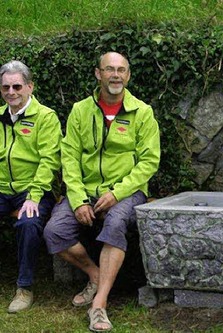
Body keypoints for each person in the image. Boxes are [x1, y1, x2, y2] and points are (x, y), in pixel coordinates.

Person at [44, 52, 160, 332]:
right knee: (54, 231)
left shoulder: (142, 112)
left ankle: (100, 304)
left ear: (128, 75)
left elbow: (149, 161)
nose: (116, 75)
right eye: (110, 69)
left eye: (121, 70)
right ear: (99, 74)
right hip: (86, 190)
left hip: (127, 191)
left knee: (116, 222)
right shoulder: (80, 110)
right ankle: (95, 275)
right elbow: (68, 157)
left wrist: (117, 193)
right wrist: (79, 199)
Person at [0, 60, 62, 313]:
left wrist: (34, 196)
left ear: (29, 87)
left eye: (16, 86)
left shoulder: (46, 117)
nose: (11, 92)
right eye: (5, 87)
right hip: (2, 188)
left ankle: (24, 287)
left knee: (28, 222)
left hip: (33, 189)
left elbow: (50, 161)